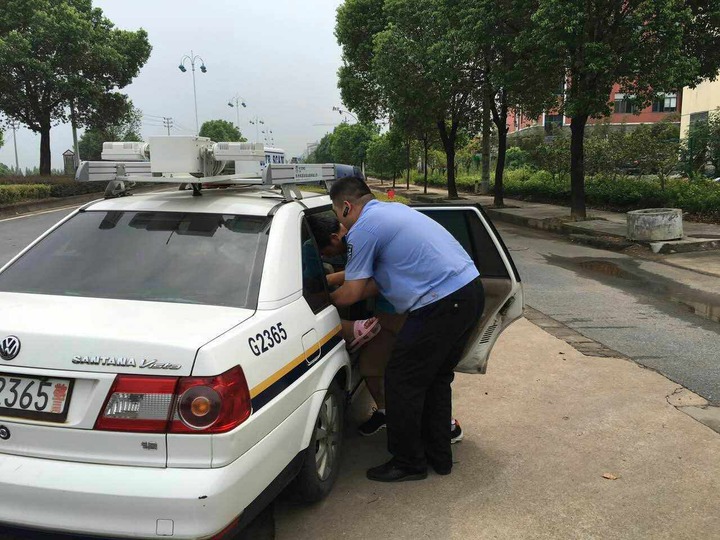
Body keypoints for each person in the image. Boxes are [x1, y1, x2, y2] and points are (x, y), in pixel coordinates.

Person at [328, 177, 484, 482]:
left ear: (346, 207)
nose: (340, 223)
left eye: (337, 214)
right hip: (468, 293)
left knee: (400, 378)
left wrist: (319, 299)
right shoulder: (390, 213)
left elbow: (354, 292)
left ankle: (408, 462)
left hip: (440, 304)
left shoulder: (364, 229)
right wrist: (335, 282)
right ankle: (439, 457)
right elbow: (372, 280)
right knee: (436, 379)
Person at [307, 213, 464, 442]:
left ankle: (445, 424)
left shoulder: (364, 239)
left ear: (333, 237)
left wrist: (322, 297)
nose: (323, 256)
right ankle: (385, 412)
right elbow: (365, 273)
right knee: (370, 365)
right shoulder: (357, 238)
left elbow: (370, 283)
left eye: (323, 252)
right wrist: (332, 281)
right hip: (385, 317)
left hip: (410, 312)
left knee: (417, 373)